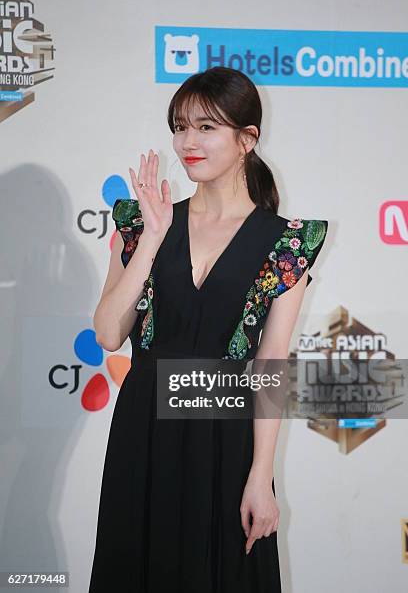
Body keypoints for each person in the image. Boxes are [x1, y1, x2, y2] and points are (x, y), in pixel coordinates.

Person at [88, 66, 328, 592]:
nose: (187, 142)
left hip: (225, 436)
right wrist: (152, 237)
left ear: (247, 139)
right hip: (144, 429)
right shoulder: (139, 221)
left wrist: (261, 475)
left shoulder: (285, 243)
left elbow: (270, 363)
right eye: (179, 127)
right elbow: (108, 334)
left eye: (205, 128)